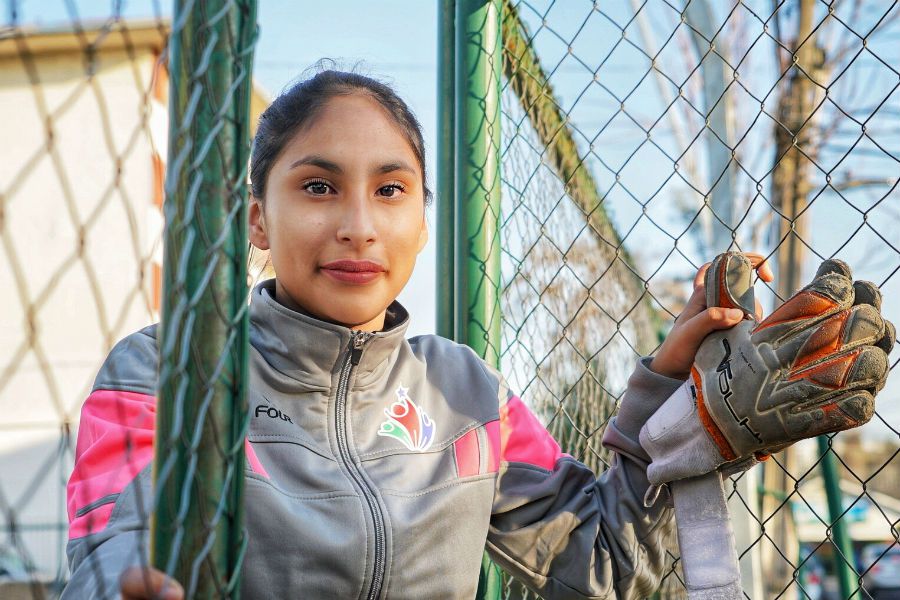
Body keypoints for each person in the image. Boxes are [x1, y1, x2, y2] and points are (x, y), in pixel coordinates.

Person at [62, 69, 891, 600]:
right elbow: (112, 549)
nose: (358, 225)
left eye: (391, 190)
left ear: (424, 221)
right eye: (318, 185)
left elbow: (601, 566)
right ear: (257, 219)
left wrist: (670, 420)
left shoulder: (466, 392)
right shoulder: (165, 370)